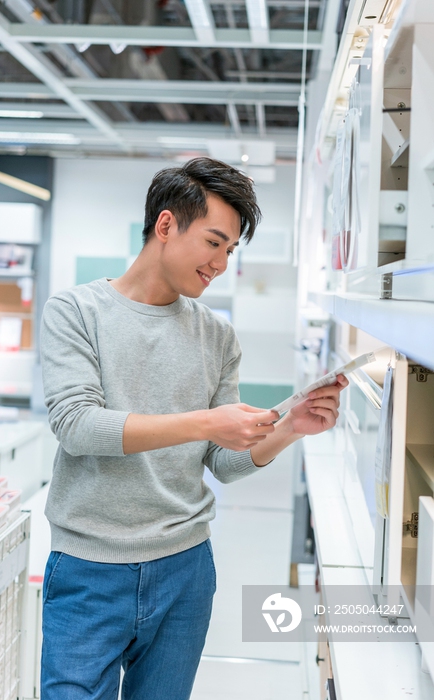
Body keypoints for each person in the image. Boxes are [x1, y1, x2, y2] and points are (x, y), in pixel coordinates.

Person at [40, 157, 347, 700]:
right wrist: (208, 421)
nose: (222, 263)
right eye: (214, 242)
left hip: (185, 570)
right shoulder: (76, 312)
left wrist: (289, 428)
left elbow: (222, 464)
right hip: (89, 568)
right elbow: (77, 426)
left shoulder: (217, 337)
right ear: (165, 226)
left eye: (230, 250)